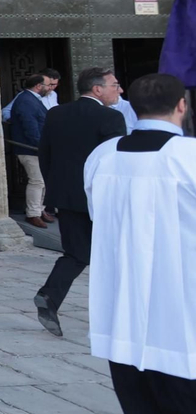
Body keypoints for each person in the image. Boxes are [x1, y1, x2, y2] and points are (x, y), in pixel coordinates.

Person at [83, 73, 196, 414]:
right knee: (182, 365)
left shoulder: (103, 155)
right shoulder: (188, 156)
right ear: (181, 105)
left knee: (135, 367)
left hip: (122, 283)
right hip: (181, 281)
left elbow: (97, 210)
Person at [34, 66, 127, 336]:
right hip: (100, 198)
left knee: (76, 253)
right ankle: (121, 313)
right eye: (114, 84)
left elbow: (45, 154)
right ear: (97, 89)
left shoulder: (57, 113)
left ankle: (49, 297)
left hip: (66, 197)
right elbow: (114, 162)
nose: (118, 90)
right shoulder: (111, 118)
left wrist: (54, 190)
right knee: (113, 254)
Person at [8, 74, 52, 227]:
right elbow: (30, 127)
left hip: (35, 149)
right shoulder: (26, 101)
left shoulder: (31, 99)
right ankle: (33, 213)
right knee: (37, 180)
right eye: (47, 85)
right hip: (30, 149)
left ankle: (40, 209)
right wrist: (41, 146)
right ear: (38, 86)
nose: (50, 88)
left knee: (42, 181)